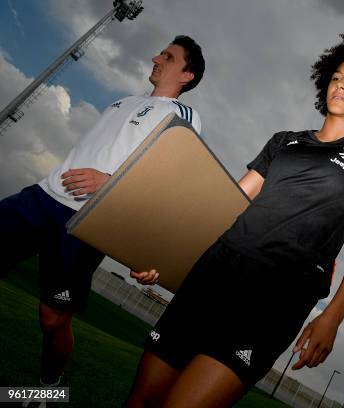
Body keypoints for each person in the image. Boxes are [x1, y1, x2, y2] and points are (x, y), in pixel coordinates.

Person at [125, 29, 344, 408]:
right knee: (138, 402)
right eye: (337, 77)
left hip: (274, 298)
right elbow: (229, 203)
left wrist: (333, 317)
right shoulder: (283, 141)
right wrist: (167, 254)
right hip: (212, 276)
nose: (341, 85)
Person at [0, 35, 204, 394]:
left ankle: (49, 387)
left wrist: (111, 181)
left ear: (186, 75)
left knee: (52, 318)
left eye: (168, 57)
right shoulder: (122, 101)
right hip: (42, 197)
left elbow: (171, 178)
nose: (156, 57)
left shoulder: (182, 115)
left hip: (86, 223)